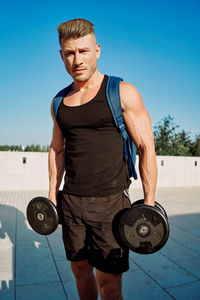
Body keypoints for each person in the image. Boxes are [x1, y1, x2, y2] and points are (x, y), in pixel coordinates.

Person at [48, 18, 157, 300]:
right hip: (71, 203)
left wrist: (148, 203)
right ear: (61, 56)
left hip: (110, 204)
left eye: (83, 51)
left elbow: (146, 146)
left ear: (97, 50)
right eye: (70, 53)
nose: (77, 59)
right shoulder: (59, 102)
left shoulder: (122, 92)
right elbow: (57, 150)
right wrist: (51, 196)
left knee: (108, 285)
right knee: (80, 271)